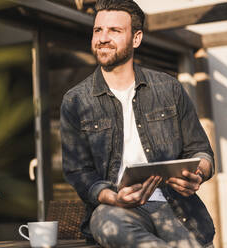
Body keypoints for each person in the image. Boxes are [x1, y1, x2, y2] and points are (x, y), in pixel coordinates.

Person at [60, 0, 215, 247]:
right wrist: (112, 197)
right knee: (105, 222)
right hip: (117, 210)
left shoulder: (169, 88)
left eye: (114, 31)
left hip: (177, 209)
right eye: (98, 30)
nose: (103, 38)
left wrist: (198, 173)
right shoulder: (75, 101)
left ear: (136, 38)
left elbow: (201, 151)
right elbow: (78, 171)